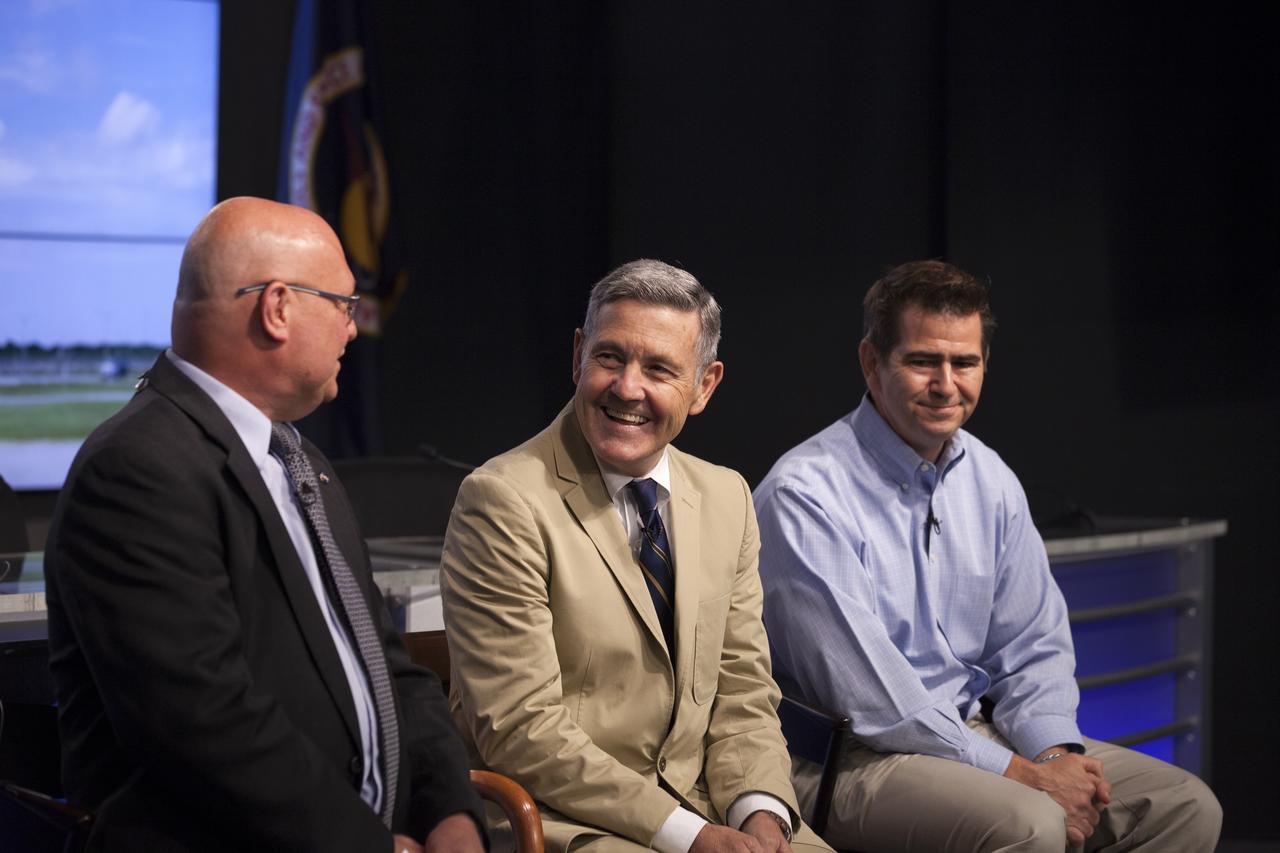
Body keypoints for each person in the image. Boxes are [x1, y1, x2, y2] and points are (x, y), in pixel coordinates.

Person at [44, 197, 485, 853]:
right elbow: (203, 725)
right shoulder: (137, 470)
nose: (353, 328)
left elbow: (386, 666)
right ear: (277, 307)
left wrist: (451, 810)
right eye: (343, 303)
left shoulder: (304, 463)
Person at [752, 260, 1222, 852]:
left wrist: (1056, 756)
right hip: (849, 761)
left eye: (965, 362)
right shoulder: (804, 493)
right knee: (1030, 822)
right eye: (923, 361)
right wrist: (1025, 777)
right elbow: (873, 701)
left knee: (1184, 807)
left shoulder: (991, 478)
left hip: (976, 736)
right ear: (873, 364)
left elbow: (1034, 646)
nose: (946, 384)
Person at [441, 260, 831, 853]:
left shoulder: (728, 496)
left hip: (711, 810)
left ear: (704, 385)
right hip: (566, 821)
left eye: (659, 369)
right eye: (609, 357)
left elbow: (744, 692)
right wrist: (693, 836)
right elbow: (522, 729)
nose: (627, 387)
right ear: (578, 356)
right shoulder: (502, 500)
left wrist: (761, 816)